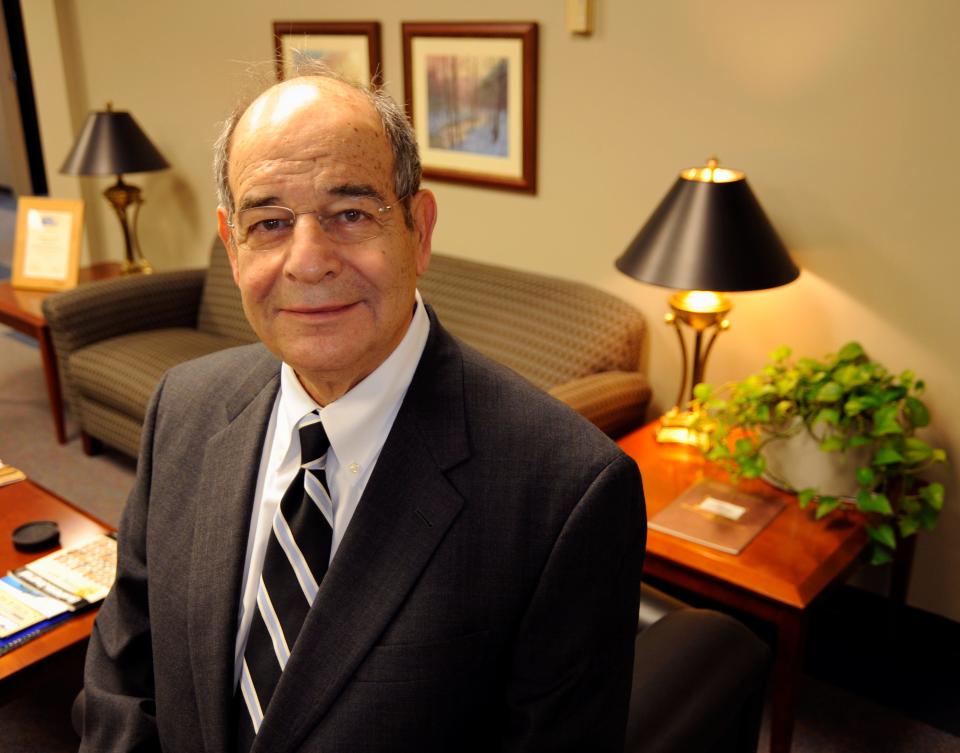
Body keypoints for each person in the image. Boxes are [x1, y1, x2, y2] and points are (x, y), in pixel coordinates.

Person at [80, 65, 646, 753]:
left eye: (351, 213)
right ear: (232, 246)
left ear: (419, 229)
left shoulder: (566, 492)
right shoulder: (184, 407)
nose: (308, 261)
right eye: (270, 222)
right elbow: (123, 669)